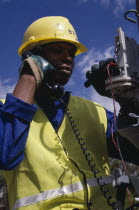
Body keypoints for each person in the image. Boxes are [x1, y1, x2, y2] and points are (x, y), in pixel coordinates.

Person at [0, 16, 139, 210]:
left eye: (72, 54)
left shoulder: (94, 112)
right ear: (30, 56)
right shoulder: (5, 110)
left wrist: (127, 101)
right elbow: (6, 156)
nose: (68, 58)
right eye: (57, 50)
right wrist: (28, 77)